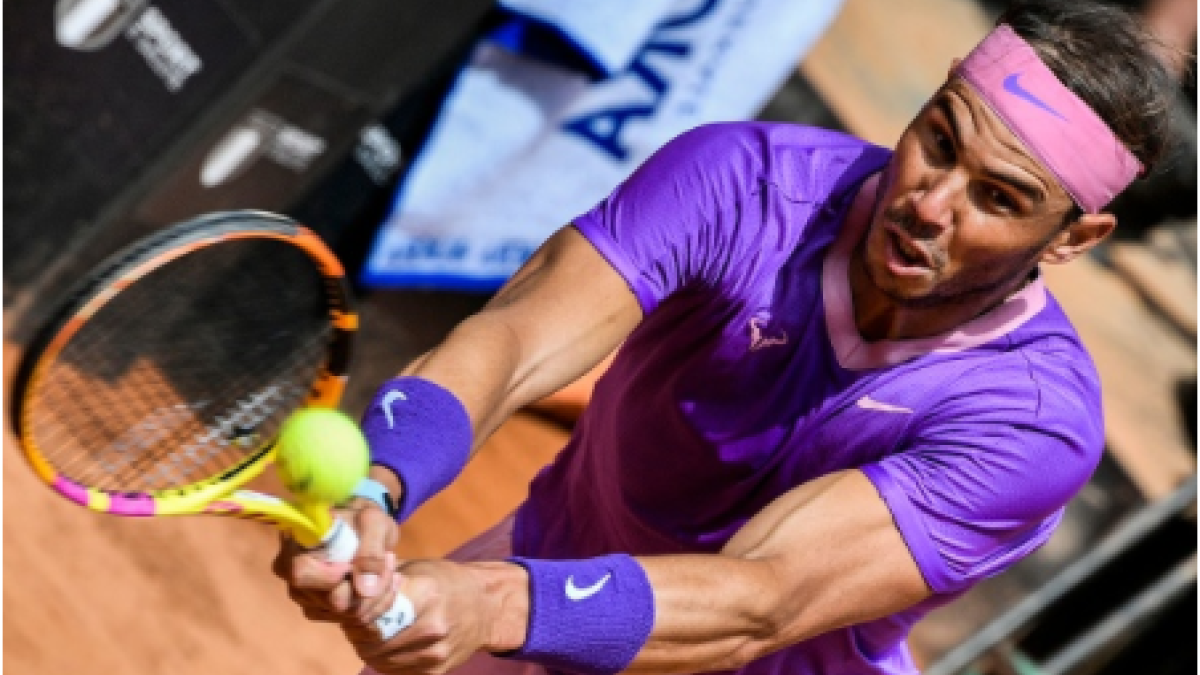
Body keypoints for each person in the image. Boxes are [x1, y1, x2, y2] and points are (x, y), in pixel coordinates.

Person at [273, 1, 1179, 673]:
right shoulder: (741, 183)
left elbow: (763, 597)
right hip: (541, 584)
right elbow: (514, 340)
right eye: (939, 141)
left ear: (1073, 239)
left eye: (999, 198)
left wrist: (490, 601)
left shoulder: (1032, 424)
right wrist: (377, 484)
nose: (931, 203)